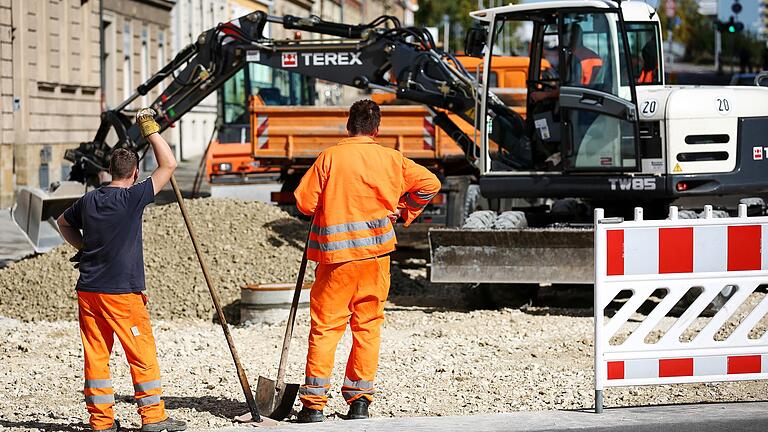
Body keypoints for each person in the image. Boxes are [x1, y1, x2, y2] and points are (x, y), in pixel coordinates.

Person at [293, 100, 441, 423]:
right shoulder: (391, 160)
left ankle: (313, 405)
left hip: (336, 262)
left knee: (326, 329)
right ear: (377, 129)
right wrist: (404, 209)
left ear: (348, 126)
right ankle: (359, 402)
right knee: (368, 329)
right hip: (375, 261)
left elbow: (304, 202)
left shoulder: (330, 157)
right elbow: (431, 184)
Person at [57, 109, 186, 432]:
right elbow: (168, 165)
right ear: (134, 173)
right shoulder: (132, 198)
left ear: (108, 171)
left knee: (96, 355)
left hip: (89, 292)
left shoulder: (89, 201)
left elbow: (62, 222)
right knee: (140, 352)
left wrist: (83, 247)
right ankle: (153, 418)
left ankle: (101, 422)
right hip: (122, 294)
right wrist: (150, 130)